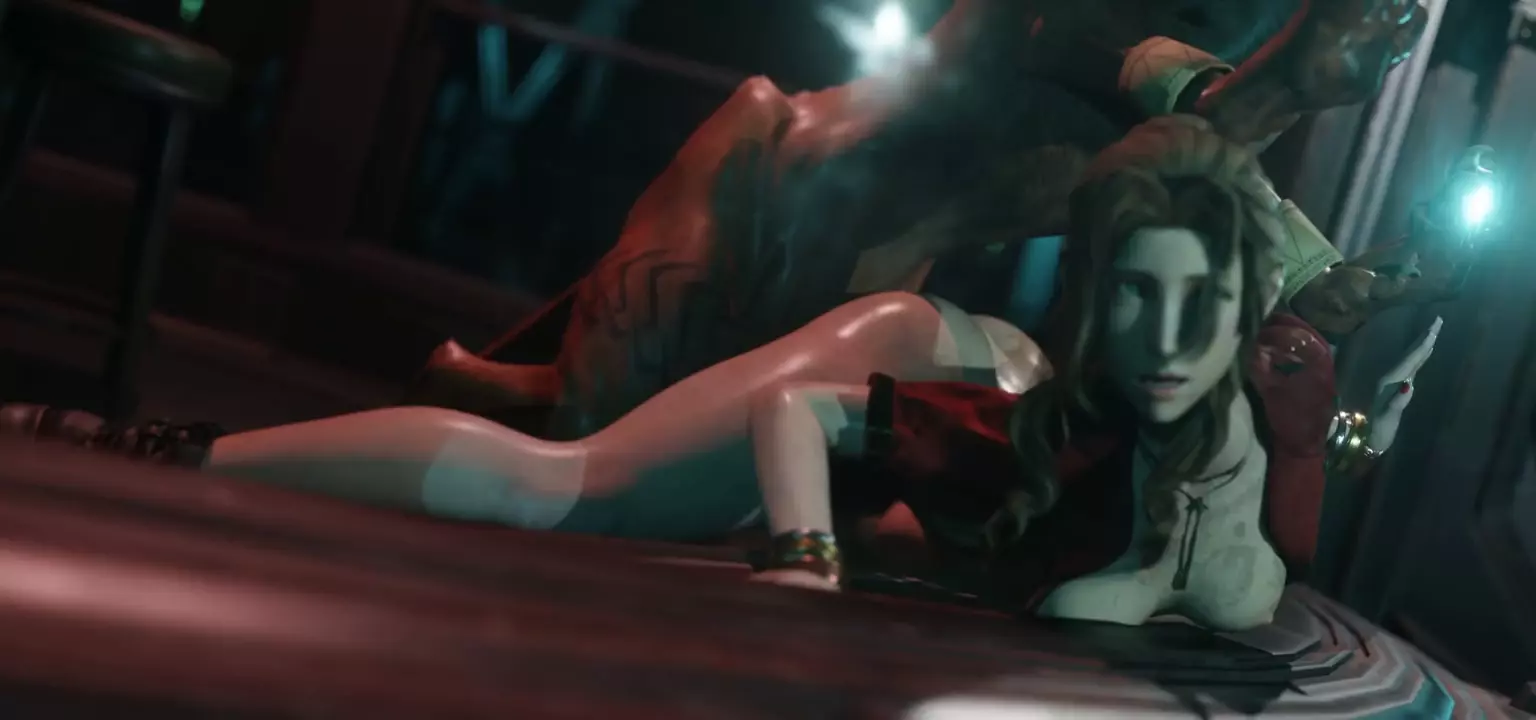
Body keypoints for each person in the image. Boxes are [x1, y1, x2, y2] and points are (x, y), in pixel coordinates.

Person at [0, 120, 1436, 630]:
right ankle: (169, 451)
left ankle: (167, 449)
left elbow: (1271, 575)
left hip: (964, 369)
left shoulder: (1219, 461)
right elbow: (804, 419)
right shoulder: (1098, 436)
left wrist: (1312, 435)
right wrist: (804, 567)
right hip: (925, 361)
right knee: (570, 488)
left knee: (592, 493)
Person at [407, 0, 1436, 439]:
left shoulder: (1193, 99)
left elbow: (1179, 150)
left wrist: (1313, 272)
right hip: (781, 188)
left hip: (863, 292)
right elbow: (1062, 45)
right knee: (585, 425)